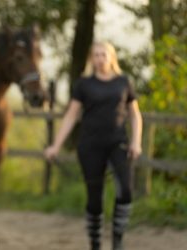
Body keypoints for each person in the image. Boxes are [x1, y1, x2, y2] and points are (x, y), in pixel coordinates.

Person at [45, 41, 142, 250]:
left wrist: (136, 142)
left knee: (125, 191)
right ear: (92, 59)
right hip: (90, 146)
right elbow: (71, 116)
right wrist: (56, 146)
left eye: (103, 55)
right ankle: (95, 244)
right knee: (94, 198)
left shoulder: (124, 82)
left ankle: (118, 239)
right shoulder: (83, 84)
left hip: (119, 143)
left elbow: (135, 115)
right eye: (96, 55)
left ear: (111, 57)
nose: (100, 59)